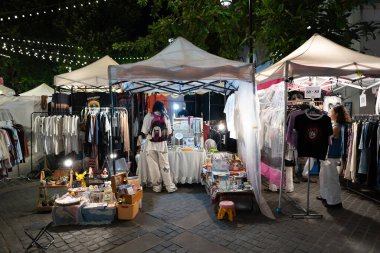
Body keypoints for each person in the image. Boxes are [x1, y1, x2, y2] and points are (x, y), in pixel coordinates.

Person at [317, 105, 351, 208]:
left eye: (331, 112)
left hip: (331, 155)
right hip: (328, 155)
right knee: (324, 177)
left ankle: (334, 202)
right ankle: (325, 196)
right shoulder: (337, 125)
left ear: (336, 114)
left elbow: (327, 138)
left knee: (331, 178)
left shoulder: (337, 127)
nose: (329, 113)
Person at [141, 101, 177, 193]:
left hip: (150, 145)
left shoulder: (148, 116)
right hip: (162, 145)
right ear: (162, 107)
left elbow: (144, 131)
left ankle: (157, 187)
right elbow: (169, 132)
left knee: (154, 167)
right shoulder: (166, 116)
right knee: (165, 165)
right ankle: (169, 186)